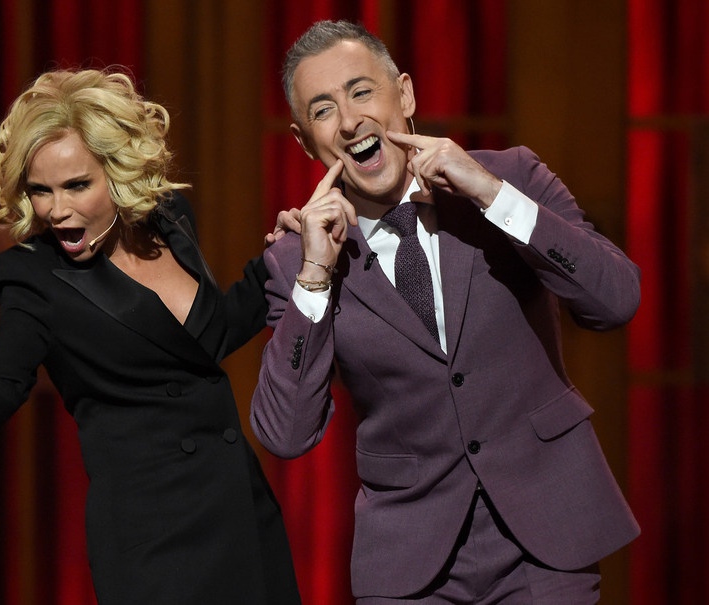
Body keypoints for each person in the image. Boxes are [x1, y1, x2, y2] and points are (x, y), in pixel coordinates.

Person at [0, 68, 300, 605]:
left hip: (237, 507)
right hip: (153, 538)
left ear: (118, 172)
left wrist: (288, 255)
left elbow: (210, 335)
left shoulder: (168, 219)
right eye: (40, 190)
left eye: (76, 185)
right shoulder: (31, 276)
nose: (57, 210)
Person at [251, 20, 640, 604]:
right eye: (323, 109)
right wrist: (313, 276)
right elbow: (284, 433)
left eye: (361, 92)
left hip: (546, 538)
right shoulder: (295, 259)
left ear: (403, 95)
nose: (351, 120)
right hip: (410, 563)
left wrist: (489, 195)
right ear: (306, 141)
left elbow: (616, 300)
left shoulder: (510, 177)